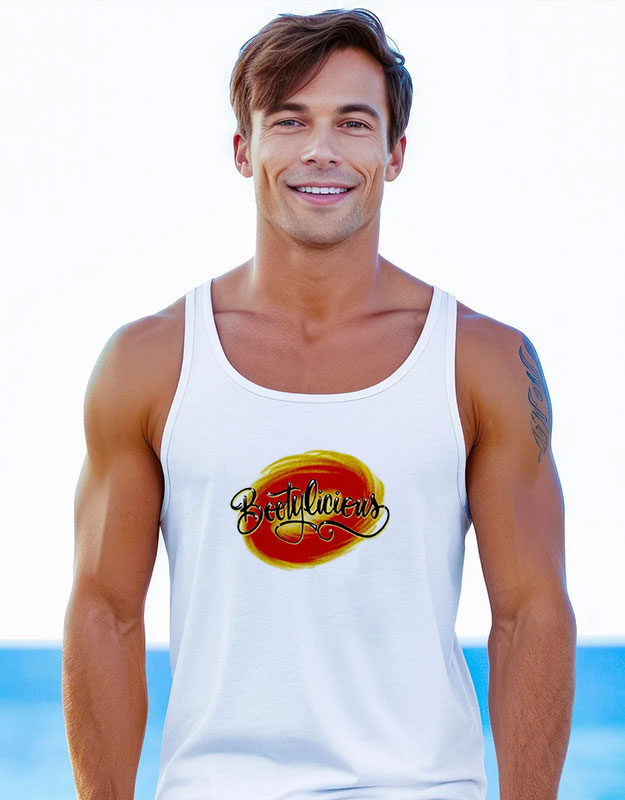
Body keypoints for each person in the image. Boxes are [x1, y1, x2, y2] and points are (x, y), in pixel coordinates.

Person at [62, 8, 576, 800]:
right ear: (244, 149)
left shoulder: (481, 361)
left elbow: (530, 612)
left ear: (394, 153)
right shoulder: (150, 363)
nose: (321, 150)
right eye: (290, 120)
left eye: (353, 123)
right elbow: (105, 611)